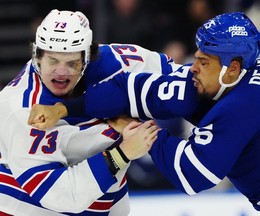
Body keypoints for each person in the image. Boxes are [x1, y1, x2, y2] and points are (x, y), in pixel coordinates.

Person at [29, 12, 260, 215]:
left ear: (232, 68)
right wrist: (63, 109)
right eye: (197, 58)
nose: (193, 68)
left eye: (203, 61)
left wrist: (145, 135)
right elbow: (134, 90)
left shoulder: (242, 106)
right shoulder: (233, 75)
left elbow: (193, 174)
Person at [0, 9, 166, 215]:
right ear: (37, 56)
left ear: (86, 58)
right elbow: (62, 195)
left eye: (71, 62)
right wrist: (123, 153)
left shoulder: (116, 62)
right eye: (52, 60)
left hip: (104, 202)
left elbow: (182, 78)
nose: (61, 72)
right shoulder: (22, 110)